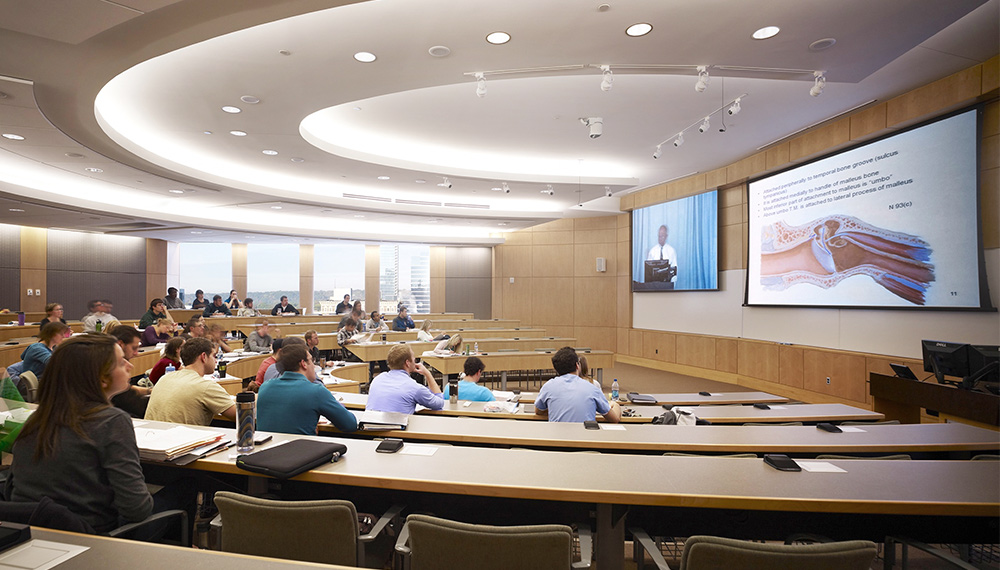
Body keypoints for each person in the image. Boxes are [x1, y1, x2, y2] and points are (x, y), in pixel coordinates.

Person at [9, 334, 153, 532]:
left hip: (32, 531)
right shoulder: (112, 420)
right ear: (102, 378)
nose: (130, 366)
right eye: (121, 363)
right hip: (94, 536)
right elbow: (137, 510)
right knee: (187, 485)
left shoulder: (37, 418)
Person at [257, 344, 357, 435]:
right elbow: (350, 424)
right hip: (302, 452)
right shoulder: (316, 391)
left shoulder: (265, 387)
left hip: (267, 452)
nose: (314, 366)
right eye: (311, 360)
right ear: (303, 364)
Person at [145, 337, 236, 425]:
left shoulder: (165, 378)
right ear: (203, 356)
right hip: (180, 439)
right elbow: (240, 415)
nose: (216, 361)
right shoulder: (206, 387)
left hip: (150, 437)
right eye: (213, 356)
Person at [535, 347, 620, 423]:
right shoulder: (591, 388)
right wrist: (616, 405)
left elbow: (538, 411)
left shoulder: (548, 386)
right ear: (577, 365)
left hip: (556, 438)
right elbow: (614, 419)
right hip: (584, 438)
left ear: (556, 369)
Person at [365, 344, 444, 414]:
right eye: (414, 359)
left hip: (369, 427)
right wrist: (428, 374)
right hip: (395, 428)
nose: (415, 361)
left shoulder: (377, 379)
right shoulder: (414, 387)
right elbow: (439, 403)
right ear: (407, 363)